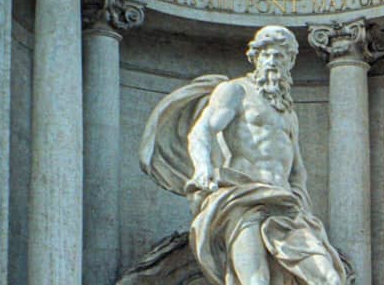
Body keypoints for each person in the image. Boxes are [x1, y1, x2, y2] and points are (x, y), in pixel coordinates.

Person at [125, 25, 348, 285]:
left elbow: (297, 168)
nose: (272, 61)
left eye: (279, 56)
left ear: (290, 62)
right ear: (255, 58)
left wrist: (301, 202)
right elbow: (202, 131)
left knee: (330, 278)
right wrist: (203, 167)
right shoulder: (236, 91)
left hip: (285, 205)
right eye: (266, 55)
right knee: (255, 282)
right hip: (243, 200)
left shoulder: (287, 111)